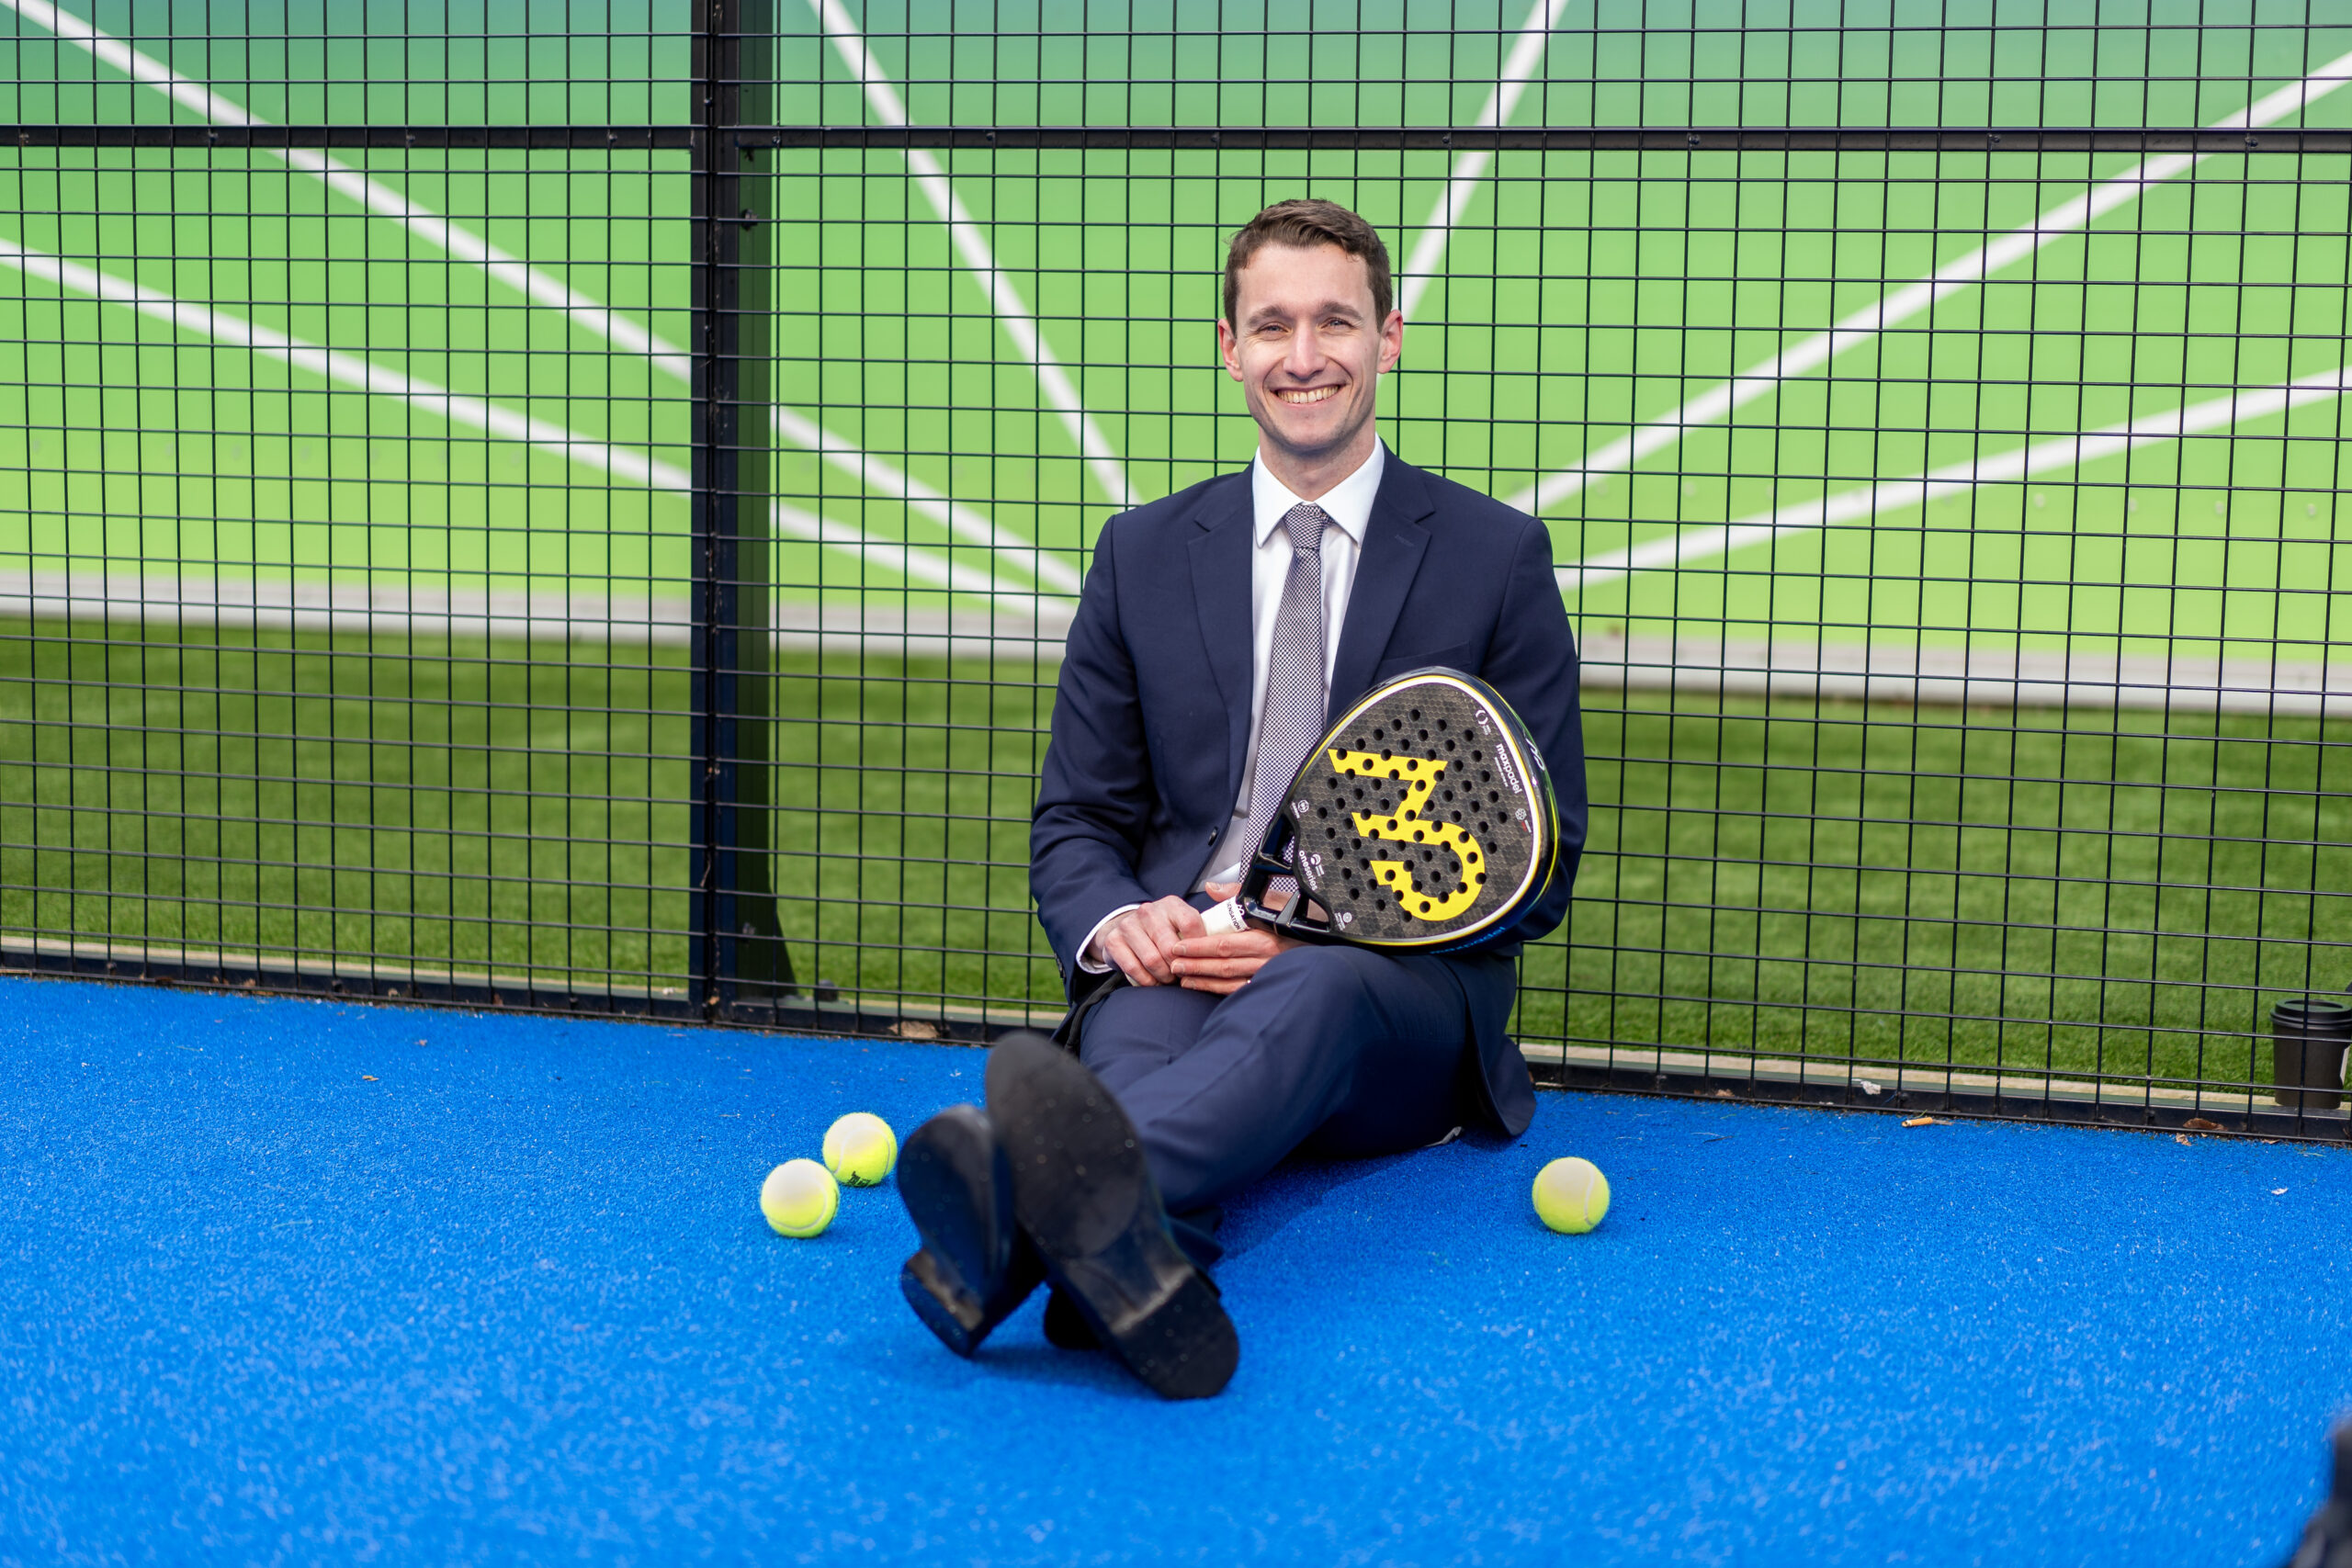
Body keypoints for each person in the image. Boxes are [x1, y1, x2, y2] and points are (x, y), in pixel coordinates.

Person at [894, 197, 1588, 1399]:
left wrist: (1308, 924)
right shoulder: (1140, 553)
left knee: (1310, 982)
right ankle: (1131, 1271)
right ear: (1230, 346)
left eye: (1336, 321)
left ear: (1388, 336)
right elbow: (1076, 823)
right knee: (1137, 1034)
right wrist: (1124, 924)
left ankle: (1007, 1213)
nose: (1304, 354)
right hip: (1177, 962)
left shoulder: (1495, 557)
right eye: (1273, 326)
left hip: (1388, 998)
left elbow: (1543, 852)